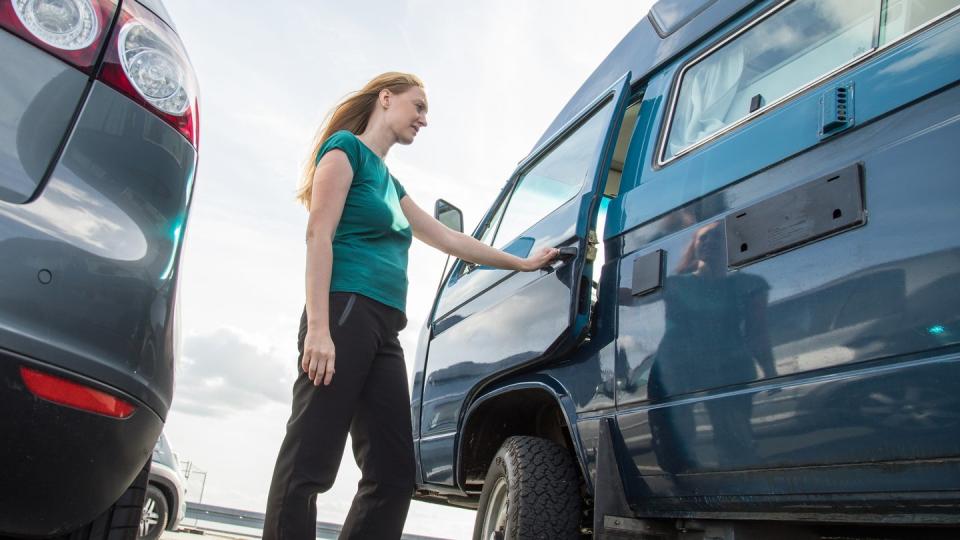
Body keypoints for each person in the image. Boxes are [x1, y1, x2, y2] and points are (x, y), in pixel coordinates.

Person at [263, 72, 559, 540]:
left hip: (384, 328)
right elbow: (319, 233)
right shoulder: (345, 151)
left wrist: (521, 264)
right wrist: (318, 328)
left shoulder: (389, 183)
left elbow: (449, 237)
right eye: (418, 107)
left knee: (394, 472)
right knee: (310, 462)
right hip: (342, 314)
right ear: (386, 99)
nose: (423, 119)